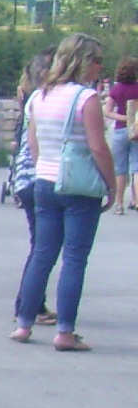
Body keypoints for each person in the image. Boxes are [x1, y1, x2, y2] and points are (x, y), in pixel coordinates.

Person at [13, 33, 116, 351]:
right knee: (74, 257)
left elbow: (32, 142)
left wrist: (47, 164)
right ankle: (65, 332)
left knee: (42, 254)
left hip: (44, 181)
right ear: (83, 61)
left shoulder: (41, 96)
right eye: (98, 60)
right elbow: (98, 147)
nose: (101, 67)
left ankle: (23, 324)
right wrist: (111, 186)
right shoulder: (85, 99)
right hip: (78, 185)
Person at [9, 50, 57, 326]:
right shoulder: (42, 100)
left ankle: (32, 303)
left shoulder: (33, 99)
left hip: (26, 178)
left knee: (41, 245)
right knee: (43, 247)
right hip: (35, 177)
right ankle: (29, 306)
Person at [106, 58, 138, 214]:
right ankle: (136, 199)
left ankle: (118, 204)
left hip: (120, 130)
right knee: (136, 167)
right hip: (136, 130)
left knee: (120, 169)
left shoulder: (116, 90)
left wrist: (123, 117)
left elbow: (108, 111)